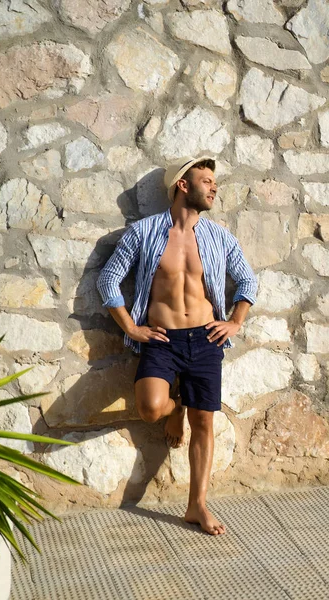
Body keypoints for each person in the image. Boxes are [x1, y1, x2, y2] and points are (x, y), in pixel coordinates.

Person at [97, 155, 258, 535]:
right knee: (151, 407)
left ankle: (197, 505)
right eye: (206, 181)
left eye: (214, 182)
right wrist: (132, 329)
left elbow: (248, 281)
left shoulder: (219, 237)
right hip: (162, 338)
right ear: (182, 185)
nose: (214, 187)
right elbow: (108, 281)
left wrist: (235, 322)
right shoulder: (145, 232)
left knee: (204, 423)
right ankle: (176, 405)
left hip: (205, 338)